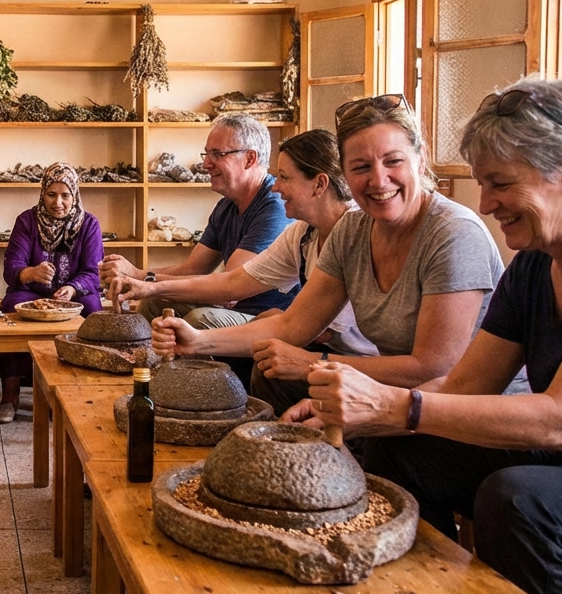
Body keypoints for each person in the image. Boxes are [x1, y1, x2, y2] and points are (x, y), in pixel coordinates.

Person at [285, 78, 562, 594]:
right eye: (483, 184)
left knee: (523, 501)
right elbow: (463, 388)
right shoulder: (535, 266)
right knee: (406, 448)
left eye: (501, 184)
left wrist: (393, 404)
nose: (486, 203)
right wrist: (355, 416)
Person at [151, 95, 513, 414]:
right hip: (394, 391)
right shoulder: (352, 231)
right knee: (274, 370)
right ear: (345, 173)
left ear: (420, 161)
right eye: (360, 167)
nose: (378, 180)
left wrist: (312, 363)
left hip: (461, 406)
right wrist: (197, 342)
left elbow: (431, 367)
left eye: (393, 162)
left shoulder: (452, 234)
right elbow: (293, 326)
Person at [107, 130, 376, 406]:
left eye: (284, 177)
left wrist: (201, 337)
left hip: (350, 359)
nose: (276, 186)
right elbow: (234, 281)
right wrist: (150, 287)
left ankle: (247, 421)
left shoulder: (349, 231)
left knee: (263, 358)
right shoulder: (303, 233)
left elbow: (308, 329)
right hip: (308, 338)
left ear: (319, 185)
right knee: (164, 304)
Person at [100, 112, 294, 329]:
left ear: (250, 159)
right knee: (153, 304)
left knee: (200, 320)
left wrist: (144, 281)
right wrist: (138, 277)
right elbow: (193, 269)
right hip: (235, 308)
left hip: (270, 317)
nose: (206, 165)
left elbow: (227, 290)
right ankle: (147, 362)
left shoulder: (274, 207)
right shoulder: (226, 206)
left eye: (217, 154)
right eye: (206, 154)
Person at [0, 162, 103, 423]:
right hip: (32, 294)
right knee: (11, 308)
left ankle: (77, 393)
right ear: (42, 194)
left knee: (94, 312)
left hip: (74, 295)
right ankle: (10, 396)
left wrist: (71, 287)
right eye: (51, 194)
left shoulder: (89, 224)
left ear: (74, 196)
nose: (58, 202)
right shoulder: (27, 221)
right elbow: (12, 268)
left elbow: (93, 271)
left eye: (65, 195)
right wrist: (31, 273)